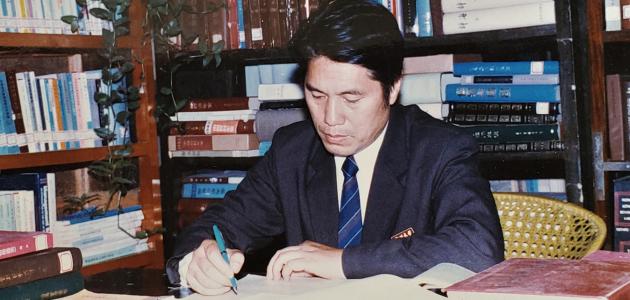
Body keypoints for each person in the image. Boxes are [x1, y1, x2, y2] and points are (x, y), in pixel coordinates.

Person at [166, 0, 504, 295]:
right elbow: (213, 228)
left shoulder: (440, 149)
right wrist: (199, 261)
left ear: (393, 88)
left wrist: (341, 261)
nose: (330, 119)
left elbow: (476, 249)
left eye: (351, 97)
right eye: (316, 95)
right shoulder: (292, 152)